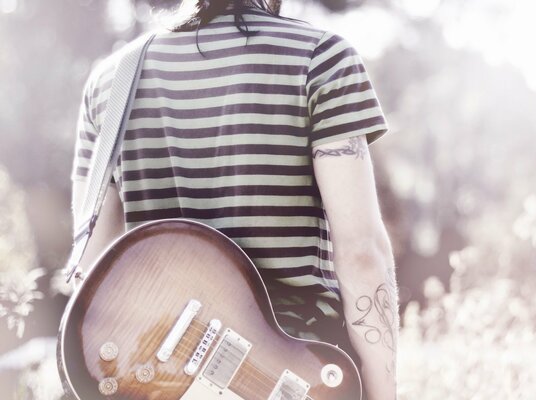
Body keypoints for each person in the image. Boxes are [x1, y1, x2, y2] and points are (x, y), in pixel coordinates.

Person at [71, 0, 399, 398]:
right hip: (293, 378)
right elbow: (362, 253)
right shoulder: (321, 59)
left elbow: (91, 277)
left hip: (165, 383)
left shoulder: (109, 83)